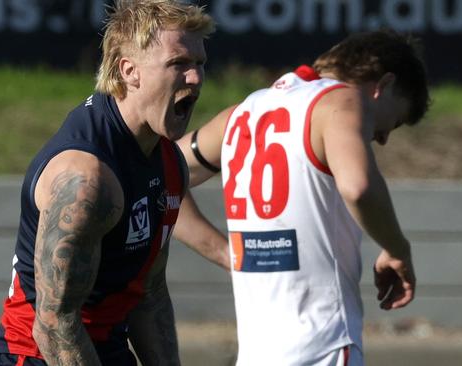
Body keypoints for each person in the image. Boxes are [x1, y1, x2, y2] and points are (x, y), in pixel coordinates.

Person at [0, 1, 228, 365]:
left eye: (200, 64)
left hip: (107, 348)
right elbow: (53, 325)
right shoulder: (86, 180)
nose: (196, 77)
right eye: (178, 63)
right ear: (130, 71)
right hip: (35, 357)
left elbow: (149, 292)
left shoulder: (169, 162)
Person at [176, 30, 430, 365]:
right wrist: (398, 249)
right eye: (393, 123)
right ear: (383, 85)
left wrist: (228, 254)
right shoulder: (342, 101)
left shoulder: (243, 112)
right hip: (322, 346)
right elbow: (359, 187)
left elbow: (158, 176)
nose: (382, 138)